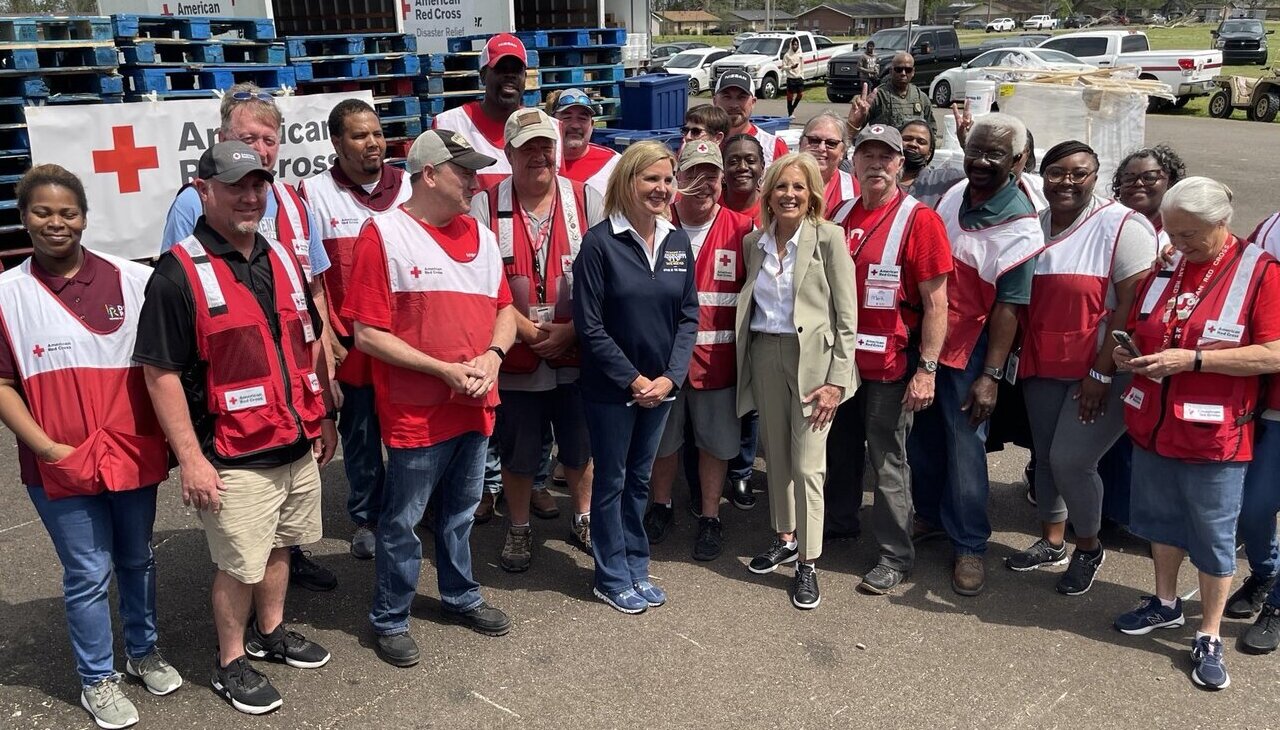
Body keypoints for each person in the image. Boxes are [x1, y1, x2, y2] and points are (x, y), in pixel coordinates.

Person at [136, 142, 337, 714]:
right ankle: (229, 661)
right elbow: (160, 374)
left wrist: (323, 418)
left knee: (279, 546)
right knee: (238, 564)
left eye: (258, 184)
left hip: (294, 439)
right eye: (234, 186)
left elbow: (305, 341)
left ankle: (271, 633)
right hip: (232, 453)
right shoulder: (178, 272)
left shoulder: (278, 255)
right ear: (203, 191)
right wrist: (192, 459)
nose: (250, 196)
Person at [0, 166, 179, 729]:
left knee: (137, 558)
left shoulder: (133, 279)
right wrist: (50, 449)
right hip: (56, 464)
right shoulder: (7, 295)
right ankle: (97, 679)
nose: (56, 223)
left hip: (131, 452)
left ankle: (143, 650)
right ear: (24, 217)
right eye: (42, 212)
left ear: (84, 216)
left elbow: (166, 363)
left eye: (67, 212)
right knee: (87, 572)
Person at [342, 130, 517, 666]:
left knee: (461, 513)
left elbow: (504, 311)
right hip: (418, 412)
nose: (474, 182)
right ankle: (390, 616)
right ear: (430, 173)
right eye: (464, 172)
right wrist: (442, 370)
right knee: (402, 520)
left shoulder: (482, 237)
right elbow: (367, 334)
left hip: (474, 403)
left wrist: (493, 356)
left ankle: (460, 594)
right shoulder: (386, 234)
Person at [160, 82, 337, 594]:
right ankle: (235, 647)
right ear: (220, 139)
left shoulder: (293, 203)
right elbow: (185, 310)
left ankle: (282, 586)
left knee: (288, 519)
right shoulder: (194, 207)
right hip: (233, 409)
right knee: (241, 550)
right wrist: (192, 452)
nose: (259, 149)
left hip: (291, 395)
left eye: (268, 140)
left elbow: (314, 291)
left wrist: (326, 378)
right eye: (247, 137)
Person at [1113, 176, 1280, 690]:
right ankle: (1164, 602)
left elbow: (1274, 353)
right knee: (1160, 521)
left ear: (1221, 223)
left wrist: (1195, 359)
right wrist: (1129, 354)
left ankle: (1208, 632)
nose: (1178, 244)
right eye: (1172, 232)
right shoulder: (1168, 265)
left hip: (1216, 434)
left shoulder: (1262, 272)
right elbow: (1145, 325)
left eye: (1190, 235)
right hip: (1155, 423)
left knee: (1212, 532)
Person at [1004, 141, 1156, 596]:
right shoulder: (1033, 224)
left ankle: (1087, 546)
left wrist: (1103, 372)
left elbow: (1131, 304)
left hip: (1101, 369)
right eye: (1056, 172)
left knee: (1072, 460)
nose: (1066, 181)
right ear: (1041, 175)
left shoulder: (1123, 225)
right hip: (1042, 360)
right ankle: (1052, 541)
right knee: (1046, 456)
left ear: (1095, 177)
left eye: (1079, 173)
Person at [908, 113, 1044, 597]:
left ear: (1020, 162)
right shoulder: (952, 195)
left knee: (965, 448)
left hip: (972, 350)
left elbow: (1010, 308)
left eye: (995, 155)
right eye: (975, 151)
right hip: (928, 338)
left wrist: (989, 375)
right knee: (921, 437)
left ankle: (969, 543)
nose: (981, 162)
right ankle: (928, 515)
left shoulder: (1021, 225)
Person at [470, 108, 604, 571]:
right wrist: (525, 330)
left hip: (576, 349)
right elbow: (479, 285)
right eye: (527, 148)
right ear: (507, 153)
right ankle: (520, 527)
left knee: (580, 446)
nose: (539, 156)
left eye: (545, 146)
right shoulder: (485, 205)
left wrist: (573, 328)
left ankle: (583, 518)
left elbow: (605, 278)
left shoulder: (587, 200)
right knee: (519, 451)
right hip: (516, 355)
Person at [572, 141, 698, 614]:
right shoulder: (599, 243)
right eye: (651, 179)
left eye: (667, 179)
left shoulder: (677, 241)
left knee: (640, 480)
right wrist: (633, 380)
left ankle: (635, 563)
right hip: (612, 390)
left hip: (661, 390)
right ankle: (609, 574)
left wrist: (669, 378)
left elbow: (688, 317)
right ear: (627, 182)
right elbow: (590, 326)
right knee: (612, 481)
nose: (662, 188)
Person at [825, 126, 952, 593]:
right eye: (867, 155)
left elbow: (938, 303)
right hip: (842, 361)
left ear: (901, 164)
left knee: (887, 459)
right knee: (839, 448)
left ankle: (895, 554)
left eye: (886, 156)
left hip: (891, 365)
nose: (875, 164)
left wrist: (927, 370)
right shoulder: (839, 212)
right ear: (852, 163)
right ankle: (839, 522)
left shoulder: (920, 220)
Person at [737, 152, 858, 610]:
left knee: (809, 466)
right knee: (779, 458)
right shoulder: (756, 244)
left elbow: (847, 318)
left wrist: (836, 382)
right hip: (767, 352)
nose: (789, 195)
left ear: (811, 196)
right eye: (781, 187)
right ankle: (784, 537)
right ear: (767, 195)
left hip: (815, 365)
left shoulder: (829, 238)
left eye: (798, 187)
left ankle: (808, 561)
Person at [299, 98, 411, 561]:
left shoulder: (408, 186)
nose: (373, 143)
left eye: (377, 133)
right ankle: (367, 516)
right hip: (351, 344)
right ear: (336, 141)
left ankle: (409, 510)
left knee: (409, 431)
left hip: (404, 341)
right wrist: (325, 337)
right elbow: (312, 276)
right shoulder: (314, 193)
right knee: (361, 434)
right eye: (360, 135)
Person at [645, 141, 754, 560]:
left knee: (714, 446)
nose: (705, 183)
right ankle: (662, 505)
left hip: (717, 367)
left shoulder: (743, 231)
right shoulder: (655, 226)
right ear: (678, 181)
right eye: (694, 174)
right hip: (663, 365)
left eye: (712, 174)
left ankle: (710, 516)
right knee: (664, 444)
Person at [1234, 203, 1280, 653]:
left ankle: (1277, 605)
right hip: (1272, 398)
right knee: (1253, 509)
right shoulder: (1270, 225)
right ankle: (1266, 572)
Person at [434, 33, 556, 190]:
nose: (510, 75)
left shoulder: (551, 130)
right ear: (483, 76)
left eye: (516, 70)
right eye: (501, 69)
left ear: (525, 77)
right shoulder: (449, 126)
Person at [550, 88, 619, 198]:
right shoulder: (539, 163)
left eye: (582, 118)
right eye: (567, 118)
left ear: (592, 125)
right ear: (552, 122)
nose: (575, 125)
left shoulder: (614, 165)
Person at [847, 52, 936, 137]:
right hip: (885, 150)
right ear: (891, 71)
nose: (903, 73)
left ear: (913, 72)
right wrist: (855, 121)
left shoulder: (921, 97)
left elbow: (931, 129)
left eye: (908, 70)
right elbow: (855, 130)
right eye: (898, 69)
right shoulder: (878, 96)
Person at [713, 70, 790, 167]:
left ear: (753, 102)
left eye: (741, 97)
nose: (734, 105)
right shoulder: (702, 142)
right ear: (715, 101)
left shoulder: (773, 146)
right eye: (727, 97)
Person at [798, 111, 859, 226]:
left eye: (831, 143)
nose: (821, 148)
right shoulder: (779, 181)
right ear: (800, 143)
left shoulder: (854, 188)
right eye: (814, 140)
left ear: (842, 152)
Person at [898, 119, 965, 209]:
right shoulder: (880, 177)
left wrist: (966, 145)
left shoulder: (943, 179)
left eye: (921, 142)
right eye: (907, 139)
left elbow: (983, 178)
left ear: (929, 153)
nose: (913, 144)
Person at [722, 134, 766, 226]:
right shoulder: (709, 206)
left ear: (762, 166)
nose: (742, 167)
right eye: (733, 162)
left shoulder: (772, 208)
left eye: (750, 160)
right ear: (723, 167)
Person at [783, 38, 805, 118]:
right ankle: (790, 113)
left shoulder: (800, 55)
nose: (795, 46)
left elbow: (802, 66)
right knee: (790, 96)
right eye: (793, 44)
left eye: (796, 44)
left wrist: (802, 76)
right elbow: (783, 67)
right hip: (791, 78)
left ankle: (792, 108)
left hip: (799, 77)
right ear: (791, 45)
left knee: (800, 94)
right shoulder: (787, 55)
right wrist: (791, 67)